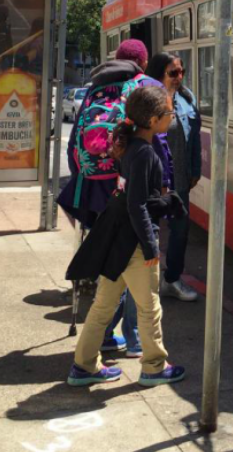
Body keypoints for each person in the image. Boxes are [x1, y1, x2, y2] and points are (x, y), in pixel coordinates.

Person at [57, 39, 171, 357]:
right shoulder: (146, 86)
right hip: (133, 185)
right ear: (143, 62)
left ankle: (105, 335)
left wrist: (83, 177)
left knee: (111, 261)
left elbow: (75, 142)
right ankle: (134, 339)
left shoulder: (95, 87)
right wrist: (164, 183)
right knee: (139, 260)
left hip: (95, 187)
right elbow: (159, 140)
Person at [66, 85, 186, 387]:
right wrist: (150, 247)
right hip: (135, 244)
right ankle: (154, 367)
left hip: (119, 240)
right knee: (149, 308)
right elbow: (137, 205)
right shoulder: (144, 153)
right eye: (169, 113)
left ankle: (83, 365)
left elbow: (133, 196)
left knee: (104, 305)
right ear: (154, 120)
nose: (172, 116)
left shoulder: (131, 147)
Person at [145, 53, 201, 302]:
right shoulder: (146, 100)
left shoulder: (187, 99)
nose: (179, 77)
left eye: (181, 72)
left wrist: (195, 169)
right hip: (152, 182)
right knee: (148, 230)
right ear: (159, 74)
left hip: (179, 180)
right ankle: (144, 284)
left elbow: (195, 138)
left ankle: (171, 280)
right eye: (173, 73)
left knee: (180, 231)